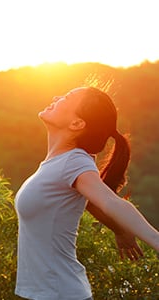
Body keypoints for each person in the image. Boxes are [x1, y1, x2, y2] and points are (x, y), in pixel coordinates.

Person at [14, 86, 159, 300]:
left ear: (77, 123)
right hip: (44, 293)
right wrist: (118, 230)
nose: (56, 97)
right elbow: (91, 202)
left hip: (60, 293)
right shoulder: (59, 164)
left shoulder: (75, 162)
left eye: (66, 97)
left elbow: (110, 201)